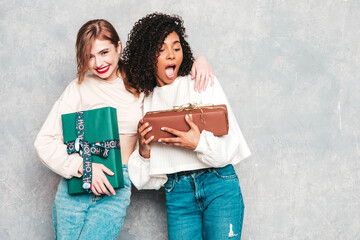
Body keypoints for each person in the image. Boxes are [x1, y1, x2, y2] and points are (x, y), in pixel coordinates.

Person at [34, 19, 213, 239]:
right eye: (90, 56)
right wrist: (84, 166)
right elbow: (44, 141)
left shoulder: (141, 83)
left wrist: (200, 61)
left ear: (118, 47)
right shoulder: (77, 89)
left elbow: (171, 75)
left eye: (104, 52)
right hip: (76, 184)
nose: (98, 62)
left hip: (116, 184)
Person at [125, 13, 251, 240]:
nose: (171, 55)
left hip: (218, 184)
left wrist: (198, 143)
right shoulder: (145, 100)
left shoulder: (200, 79)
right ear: (146, 56)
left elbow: (229, 146)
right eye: (161, 50)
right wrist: (144, 152)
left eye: (176, 47)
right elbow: (145, 181)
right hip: (178, 193)